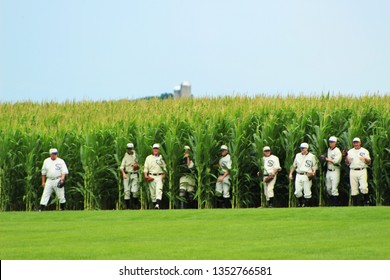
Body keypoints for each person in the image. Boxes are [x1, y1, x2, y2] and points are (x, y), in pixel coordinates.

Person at [289, 142, 318, 207]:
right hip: (299, 174)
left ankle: (306, 205)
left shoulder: (312, 156)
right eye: (301, 148)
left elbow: (314, 166)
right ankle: (301, 203)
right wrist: (290, 174)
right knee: (297, 192)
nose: (302, 150)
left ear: (307, 148)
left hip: (307, 174)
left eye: (303, 148)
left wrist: (313, 173)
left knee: (307, 192)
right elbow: (294, 165)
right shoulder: (297, 155)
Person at [345, 137, 371, 206]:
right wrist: (345, 156)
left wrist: (365, 158)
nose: (356, 144)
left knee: (364, 187)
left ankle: (366, 202)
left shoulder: (364, 151)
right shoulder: (350, 151)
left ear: (360, 143)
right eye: (354, 142)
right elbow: (348, 163)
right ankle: (355, 205)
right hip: (353, 170)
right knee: (354, 188)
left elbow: (369, 162)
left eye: (357, 142)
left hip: (362, 170)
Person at [143, 143, 166, 209]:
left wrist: (163, 176)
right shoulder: (148, 158)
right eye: (154, 148)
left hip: (159, 176)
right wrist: (146, 176)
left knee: (159, 190)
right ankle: (155, 206)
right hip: (151, 176)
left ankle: (157, 205)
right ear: (152, 149)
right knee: (152, 193)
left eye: (157, 149)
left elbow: (164, 168)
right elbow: (146, 168)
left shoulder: (162, 158)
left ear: (159, 150)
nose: (155, 150)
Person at [120, 143, 140, 209]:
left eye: (130, 149)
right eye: (128, 149)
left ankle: (135, 206)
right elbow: (121, 167)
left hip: (134, 174)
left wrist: (137, 166)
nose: (129, 150)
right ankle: (127, 207)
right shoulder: (125, 157)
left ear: (133, 149)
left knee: (135, 191)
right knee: (127, 191)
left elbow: (139, 165)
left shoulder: (136, 156)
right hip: (127, 174)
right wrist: (123, 174)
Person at [324, 136, 342, 206]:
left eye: (332, 142)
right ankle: (331, 203)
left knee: (334, 188)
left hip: (335, 170)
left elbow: (336, 161)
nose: (330, 143)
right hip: (329, 170)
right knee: (328, 188)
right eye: (329, 142)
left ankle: (335, 204)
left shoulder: (337, 151)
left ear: (335, 143)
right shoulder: (329, 149)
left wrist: (327, 159)